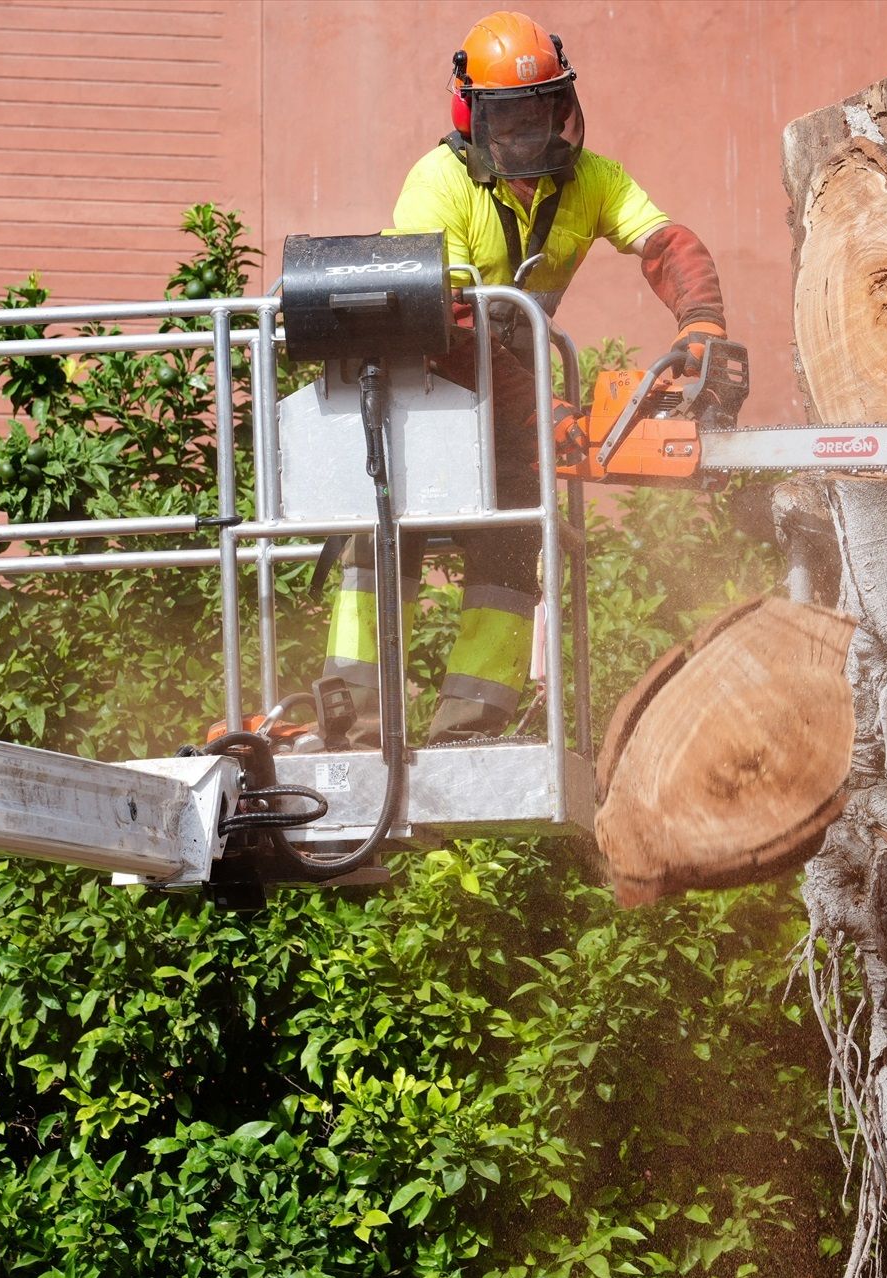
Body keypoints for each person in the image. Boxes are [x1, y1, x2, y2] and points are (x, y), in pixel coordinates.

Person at [321, 9, 729, 746]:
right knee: (386, 534)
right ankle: (352, 715)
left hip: (510, 392)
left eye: (541, 110)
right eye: (509, 116)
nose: (527, 131)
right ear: (472, 114)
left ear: (562, 106)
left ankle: (470, 722)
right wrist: (543, 412)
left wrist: (700, 322)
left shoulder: (592, 180)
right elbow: (440, 321)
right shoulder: (437, 183)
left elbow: (666, 242)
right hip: (420, 389)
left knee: (512, 538)